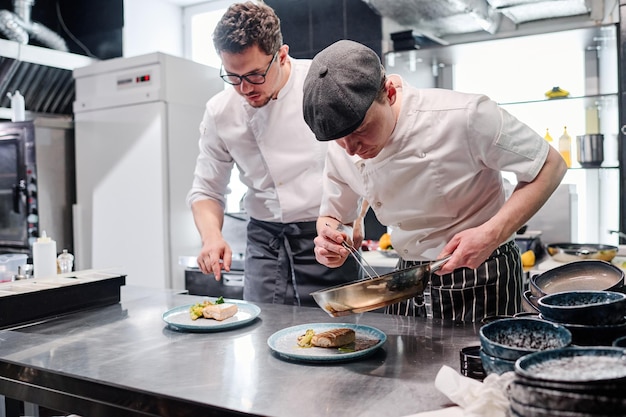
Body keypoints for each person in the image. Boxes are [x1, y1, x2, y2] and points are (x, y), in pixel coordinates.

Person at [302, 39, 568, 321]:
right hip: (405, 280)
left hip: (482, 274)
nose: (351, 149)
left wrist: (491, 234)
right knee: (403, 366)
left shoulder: (464, 115)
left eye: (361, 131)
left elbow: (550, 165)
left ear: (389, 93)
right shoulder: (343, 143)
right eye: (339, 140)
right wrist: (330, 239)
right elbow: (334, 215)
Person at [186, 2, 359, 307]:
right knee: (260, 333)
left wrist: (354, 219)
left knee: (339, 337)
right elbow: (206, 189)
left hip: (326, 237)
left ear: (281, 55)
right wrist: (212, 237)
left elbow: (362, 161)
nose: (244, 89)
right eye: (233, 76)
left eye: (254, 75)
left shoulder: (320, 85)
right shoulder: (220, 111)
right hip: (265, 245)